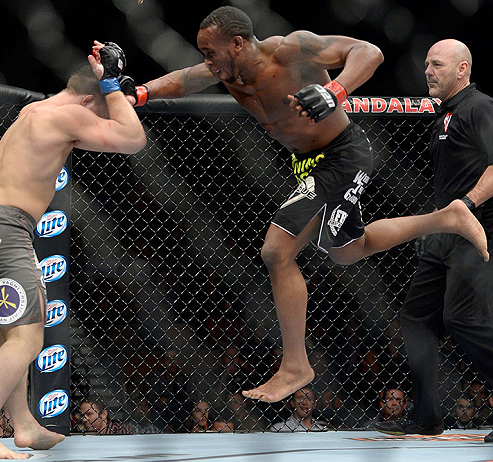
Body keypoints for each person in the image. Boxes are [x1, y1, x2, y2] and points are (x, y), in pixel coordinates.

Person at [132, 6, 489, 404]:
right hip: (309, 165)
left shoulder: (292, 49)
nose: (206, 60)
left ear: (236, 44)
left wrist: (334, 91)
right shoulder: (225, 71)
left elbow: (369, 51)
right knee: (349, 251)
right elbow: (182, 79)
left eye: (210, 51)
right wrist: (139, 93)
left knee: (276, 251)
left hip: (342, 155)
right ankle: (447, 218)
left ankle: (295, 365)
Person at [0, 41, 146, 459]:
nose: (97, 122)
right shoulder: (71, 113)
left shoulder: (32, 112)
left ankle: (23, 425)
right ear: (87, 99)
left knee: (10, 334)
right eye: (100, 109)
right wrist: (111, 84)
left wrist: (114, 91)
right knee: (27, 339)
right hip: (7, 229)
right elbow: (132, 139)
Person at [374, 40, 493, 444]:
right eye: (425, 63)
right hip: (443, 235)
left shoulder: (480, 107)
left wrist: (467, 204)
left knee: (463, 318)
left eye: (437, 64)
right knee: (415, 319)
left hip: (477, 233)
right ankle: (427, 416)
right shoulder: (444, 114)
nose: (427, 70)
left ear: (462, 69)